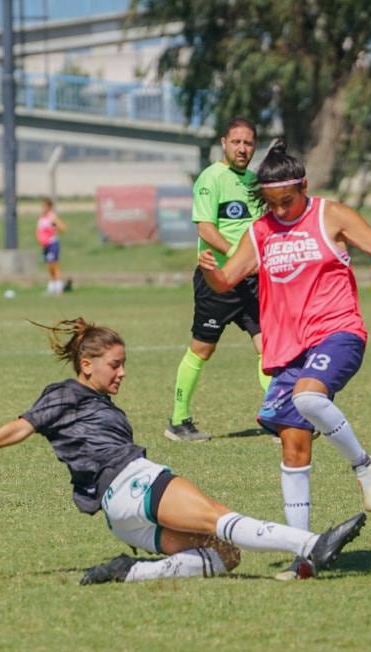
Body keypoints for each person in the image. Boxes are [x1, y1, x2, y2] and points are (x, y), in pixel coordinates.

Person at [0, 318, 366, 585]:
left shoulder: (97, 404)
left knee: (225, 554)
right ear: (86, 365)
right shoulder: (65, 393)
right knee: (218, 516)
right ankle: (312, 546)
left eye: (123, 364)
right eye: (114, 364)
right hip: (135, 480)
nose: (122, 373)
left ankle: (129, 573)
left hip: (120, 515)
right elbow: (18, 428)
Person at [197, 140, 371, 579]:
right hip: (288, 348)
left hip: (338, 333)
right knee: (293, 445)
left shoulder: (331, 215)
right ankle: (305, 557)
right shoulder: (260, 231)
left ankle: (364, 465)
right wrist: (211, 268)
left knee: (307, 398)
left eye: (288, 200)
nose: (280, 210)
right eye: (271, 203)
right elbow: (227, 279)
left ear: (304, 186)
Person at [166, 117, 270, 443]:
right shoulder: (211, 179)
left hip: (251, 281)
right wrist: (238, 256)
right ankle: (178, 421)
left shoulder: (253, 182)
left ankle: (276, 418)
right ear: (224, 143)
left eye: (248, 143)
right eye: (236, 142)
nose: (242, 148)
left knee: (268, 347)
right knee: (202, 349)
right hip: (219, 280)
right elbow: (205, 229)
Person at [36, 197, 67, 295]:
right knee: (49, 266)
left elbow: (62, 228)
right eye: (42, 206)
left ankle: (59, 288)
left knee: (54, 265)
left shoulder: (51, 217)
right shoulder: (41, 218)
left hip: (53, 243)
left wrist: (54, 226)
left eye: (44, 206)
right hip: (45, 245)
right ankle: (51, 287)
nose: (42, 208)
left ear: (49, 207)